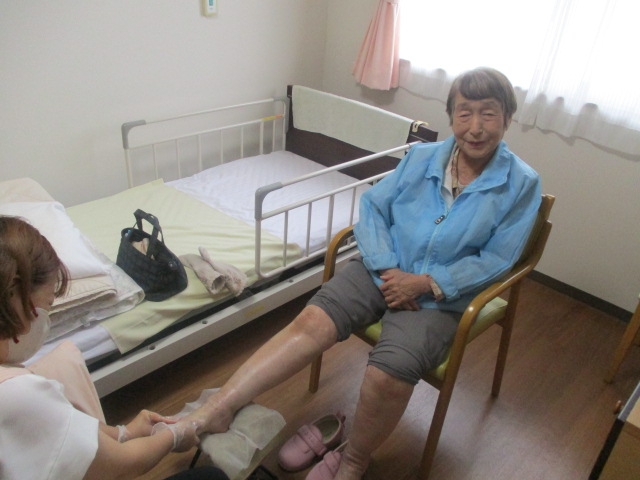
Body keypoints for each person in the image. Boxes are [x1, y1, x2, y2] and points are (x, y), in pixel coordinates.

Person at [184, 67, 542, 479]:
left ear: (507, 118)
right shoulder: (422, 157)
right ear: (451, 117)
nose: (475, 127)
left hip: (440, 297)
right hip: (382, 269)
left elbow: (498, 258)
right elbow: (372, 207)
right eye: (464, 113)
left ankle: (353, 459)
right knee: (311, 321)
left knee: (387, 375)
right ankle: (221, 406)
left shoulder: (521, 183)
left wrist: (426, 283)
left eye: (488, 113)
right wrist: (388, 268)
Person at [0, 215, 228, 480]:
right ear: (14, 295)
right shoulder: (18, 394)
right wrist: (175, 435)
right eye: (48, 307)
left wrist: (123, 433)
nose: (46, 319)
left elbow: (61, 424)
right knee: (212, 477)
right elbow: (123, 464)